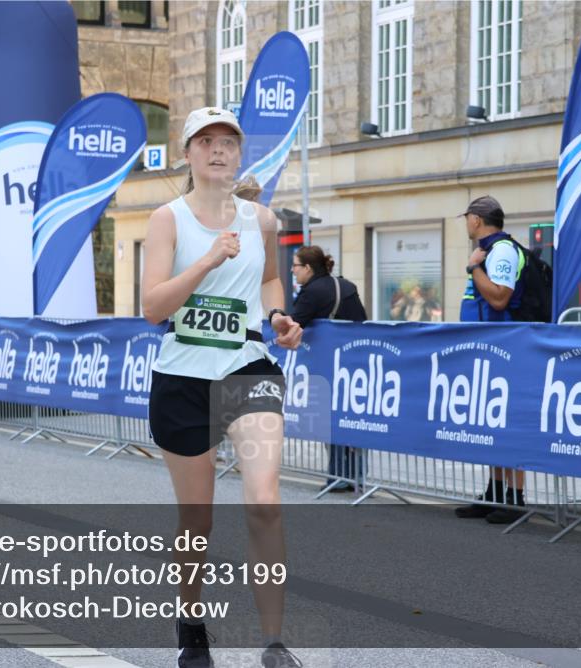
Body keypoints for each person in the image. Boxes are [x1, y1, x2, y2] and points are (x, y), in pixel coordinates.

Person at [142, 106, 303, 668]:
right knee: (199, 518)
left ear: (240, 153)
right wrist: (207, 260)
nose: (218, 150)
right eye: (205, 141)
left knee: (264, 499)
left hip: (246, 368)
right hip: (182, 375)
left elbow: (268, 280)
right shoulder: (168, 219)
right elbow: (152, 307)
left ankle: (275, 643)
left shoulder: (261, 219)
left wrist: (279, 316)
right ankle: (190, 621)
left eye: (228, 142)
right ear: (188, 153)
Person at [453, 195, 526, 524]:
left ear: (477, 219)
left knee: (508, 422)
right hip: (484, 349)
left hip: (503, 349)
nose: (466, 223)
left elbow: (499, 298)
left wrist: (473, 268)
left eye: (467, 217)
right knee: (490, 422)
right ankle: (495, 492)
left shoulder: (503, 251)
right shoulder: (488, 251)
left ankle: (515, 498)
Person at [289, 245, 368, 493]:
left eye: (296, 266)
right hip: (356, 364)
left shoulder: (311, 292)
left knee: (332, 419)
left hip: (328, 366)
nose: (293, 270)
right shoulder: (345, 285)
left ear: (308, 268)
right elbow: (361, 321)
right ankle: (355, 476)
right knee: (352, 418)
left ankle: (337, 475)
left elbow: (292, 323)